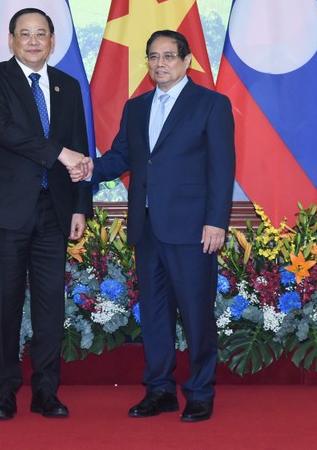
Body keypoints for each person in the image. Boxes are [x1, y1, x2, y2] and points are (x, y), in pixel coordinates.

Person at [71, 29, 235, 423]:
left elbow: (222, 167)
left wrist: (216, 221)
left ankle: (200, 392)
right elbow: (121, 157)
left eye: (168, 56)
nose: (160, 64)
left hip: (193, 229)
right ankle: (159, 390)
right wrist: (90, 169)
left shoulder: (211, 104)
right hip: (146, 229)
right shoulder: (137, 107)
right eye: (153, 57)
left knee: (196, 314)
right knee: (155, 314)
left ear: (187, 61)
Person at [0, 7, 92, 421]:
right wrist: (59, 153)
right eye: (25, 33)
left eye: (42, 33)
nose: (34, 41)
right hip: (8, 211)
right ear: (11, 40)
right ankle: (5, 392)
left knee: (49, 306)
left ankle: (46, 390)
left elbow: (80, 147)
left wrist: (80, 206)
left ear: (53, 41)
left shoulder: (68, 86)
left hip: (54, 210)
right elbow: (5, 131)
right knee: (5, 305)